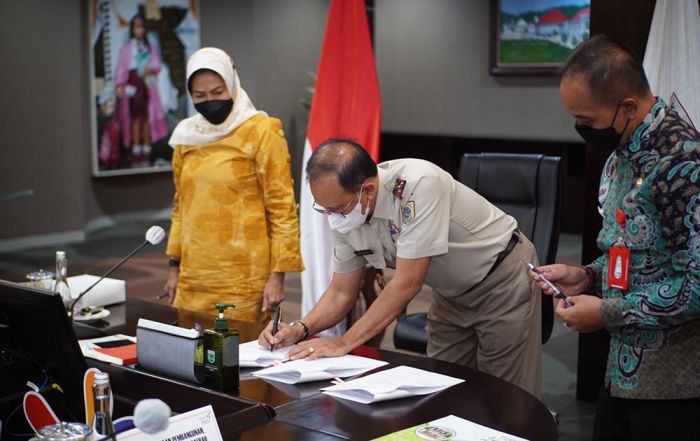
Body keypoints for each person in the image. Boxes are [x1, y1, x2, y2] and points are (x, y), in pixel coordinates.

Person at [259, 139, 542, 396]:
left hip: (502, 278)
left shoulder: (418, 184)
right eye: (324, 210)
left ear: (367, 190)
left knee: (507, 395)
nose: (331, 218)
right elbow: (340, 292)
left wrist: (343, 342)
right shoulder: (346, 212)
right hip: (449, 291)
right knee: (442, 387)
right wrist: (301, 327)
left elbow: (407, 283)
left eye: (336, 209)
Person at [531, 35, 700, 439]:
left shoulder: (684, 163)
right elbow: (636, 252)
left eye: (587, 121)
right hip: (621, 370)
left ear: (627, 106)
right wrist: (588, 275)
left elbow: (695, 284)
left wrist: (607, 312)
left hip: (674, 386)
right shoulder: (620, 154)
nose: (582, 131)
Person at [164, 47, 303, 324]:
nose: (209, 101)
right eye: (200, 96)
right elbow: (181, 207)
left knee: (241, 360)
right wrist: (173, 269)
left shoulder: (262, 131)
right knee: (192, 358)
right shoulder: (185, 137)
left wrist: (278, 276)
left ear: (232, 85)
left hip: (244, 280)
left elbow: (282, 209)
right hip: (193, 278)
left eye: (217, 92)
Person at [115, 14, 167, 167]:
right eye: (136, 27)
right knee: (135, 120)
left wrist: (150, 69)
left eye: (142, 27)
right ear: (132, 29)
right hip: (132, 84)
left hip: (146, 84)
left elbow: (157, 65)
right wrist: (120, 84)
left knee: (146, 120)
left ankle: (146, 151)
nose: (139, 30)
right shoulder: (127, 48)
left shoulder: (149, 48)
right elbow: (122, 68)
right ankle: (136, 151)